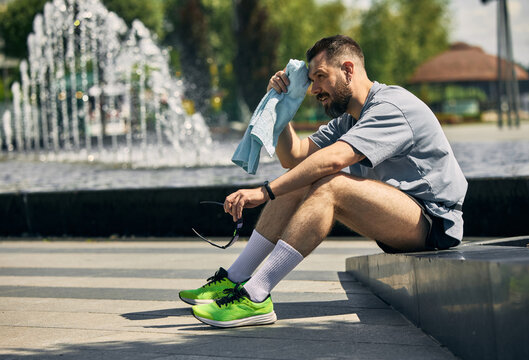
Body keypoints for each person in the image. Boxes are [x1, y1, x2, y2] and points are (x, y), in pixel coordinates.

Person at [179, 35, 467, 328]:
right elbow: (294, 158)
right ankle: (235, 279)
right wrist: (280, 107)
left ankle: (254, 296)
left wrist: (264, 192)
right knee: (303, 179)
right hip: (400, 215)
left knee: (330, 183)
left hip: (433, 222)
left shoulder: (391, 107)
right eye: (312, 79)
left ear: (348, 70)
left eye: (320, 77)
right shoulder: (350, 119)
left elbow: (333, 160)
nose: (314, 88)